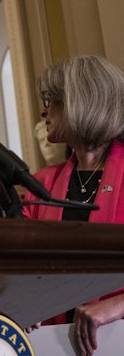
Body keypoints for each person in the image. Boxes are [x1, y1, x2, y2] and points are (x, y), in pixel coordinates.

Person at [23, 55, 124, 356]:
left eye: (53, 101)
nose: (44, 111)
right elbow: (21, 268)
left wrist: (117, 306)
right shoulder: (37, 186)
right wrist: (25, 300)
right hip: (54, 345)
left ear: (83, 103)